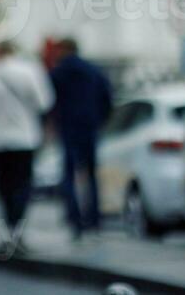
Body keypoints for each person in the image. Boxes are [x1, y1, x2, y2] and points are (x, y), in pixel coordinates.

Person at [0, 41, 54, 255]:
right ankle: (17, 231)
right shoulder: (30, 71)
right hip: (25, 138)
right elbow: (44, 103)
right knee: (23, 185)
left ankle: (7, 231)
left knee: (2, 186)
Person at [48, 37, 113, 241]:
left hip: (68, 127)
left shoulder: (57, 73)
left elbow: (48, 101)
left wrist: (55, 120)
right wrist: (99, 119)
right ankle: (93, 219)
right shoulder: (93, 70)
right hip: (90, 127)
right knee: (91, 174)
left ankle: (74, 220)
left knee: (68, 174)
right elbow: (108, 96)